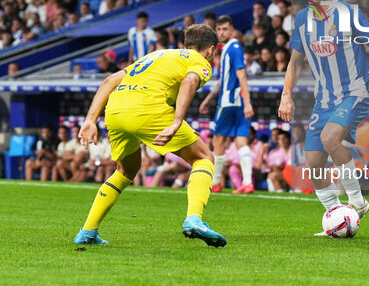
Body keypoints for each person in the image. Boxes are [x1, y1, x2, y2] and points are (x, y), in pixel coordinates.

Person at [74, 24, 227, 247]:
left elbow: (109, 81)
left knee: (126, 170)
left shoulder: (156, 55)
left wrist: (90, 120)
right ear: (211, 49)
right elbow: (190, 81)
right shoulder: (199, 61)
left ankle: (87, 231)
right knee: (204, 158)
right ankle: (194, 219)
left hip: (115, 111)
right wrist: (177, 121)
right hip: (148, 109)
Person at [278, 0, 369, 234]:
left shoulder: (349, 14)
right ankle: (337, 218)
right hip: (324, 100)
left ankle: (357, 202)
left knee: (330, 139)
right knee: (313, 165)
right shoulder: (302, 19)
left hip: (354, 93)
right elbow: (295, 62)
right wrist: (286, 95)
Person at [199, 15, 255, 194]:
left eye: (225, 29)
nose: (222, 32)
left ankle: (215, 182)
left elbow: (242, 76)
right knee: (241, 140)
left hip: (229, 102)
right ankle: (247, 183)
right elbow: (224, 80)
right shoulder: (229, 49)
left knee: (218, 139)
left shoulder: (233, 49)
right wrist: (208, 99)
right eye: (219, 29)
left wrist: (248, 103)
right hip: (236, 101)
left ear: (232, 30)